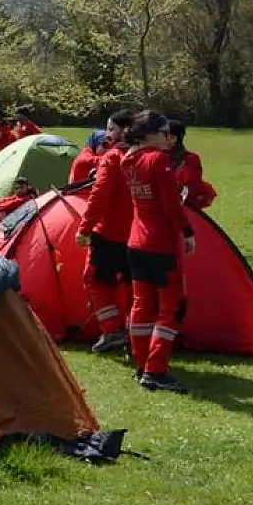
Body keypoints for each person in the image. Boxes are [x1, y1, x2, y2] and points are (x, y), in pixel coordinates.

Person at [122, 111, 195, 394]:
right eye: (164, 132)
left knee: (141, 305)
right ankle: (156, 369)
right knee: (171, 307)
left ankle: (141, 364)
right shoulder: (159, 160)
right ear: (149, 134)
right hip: (160, 245)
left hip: (135, 243)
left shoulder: (128, 159)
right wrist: (188, 232)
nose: (169, 138)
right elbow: (170, 205)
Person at [73, 110, 139, 355]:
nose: (107, 135)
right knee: (136, 286)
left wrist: (85, 228)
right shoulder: (149, 156)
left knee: (94, 279)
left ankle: (112, 331)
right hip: (141, 235)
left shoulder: (113, 158)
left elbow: (98, 197)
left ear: (123, 131)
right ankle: (136, 335)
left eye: (110, 129)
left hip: (110, 234)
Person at [167, 119, 217, 211]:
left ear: (180, 137)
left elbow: (192, 185)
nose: (167, 141)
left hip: (186, 205)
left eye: (172, 137)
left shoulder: (191, 159)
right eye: (164, 137)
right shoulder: (156, 156)